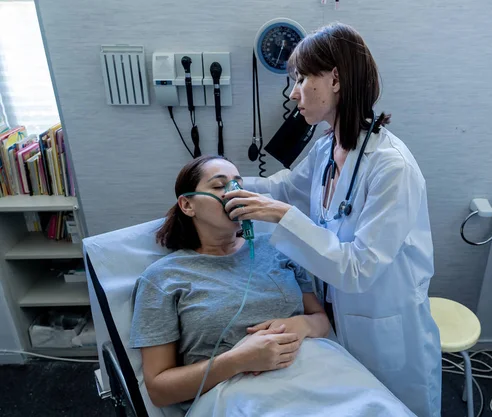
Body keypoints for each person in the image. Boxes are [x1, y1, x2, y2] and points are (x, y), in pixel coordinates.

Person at [223, 23, 442, 417]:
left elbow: (358, 269)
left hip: (382, 329)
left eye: (302, 79)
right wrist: (228, 182)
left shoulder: (392, 168)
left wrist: (283, 216)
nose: (294, 92)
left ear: (336, 79)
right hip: (335, 318)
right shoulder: (330, 145)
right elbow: (285, 188)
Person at [128, 155, 331, 409]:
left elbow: (322, 321)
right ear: (187, 205)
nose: (234, 193)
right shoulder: (163, 278)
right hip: (237, 399)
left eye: (238, 184)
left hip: (316, 375)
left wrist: (301, 324)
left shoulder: (278, 249)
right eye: (219, 186)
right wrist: (237, 360)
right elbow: (159, 390)